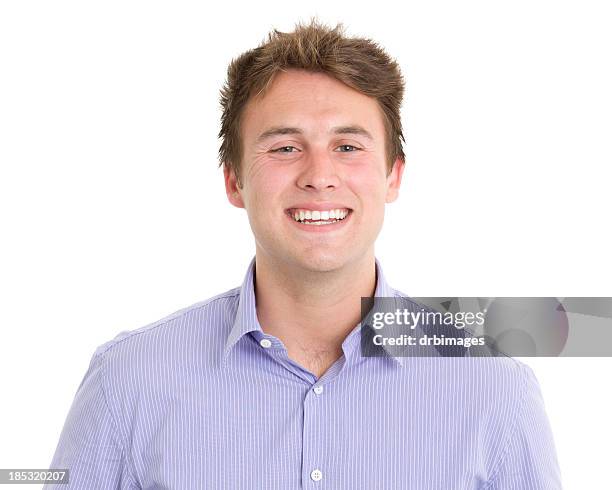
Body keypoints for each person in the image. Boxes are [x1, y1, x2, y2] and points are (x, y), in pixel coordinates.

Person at [45, 19, 562, 489]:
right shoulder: (128, 378)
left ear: (393, 176)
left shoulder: (495, 389)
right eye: (285, 147)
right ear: (234, 180)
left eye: (349, 146)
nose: (318, 175)